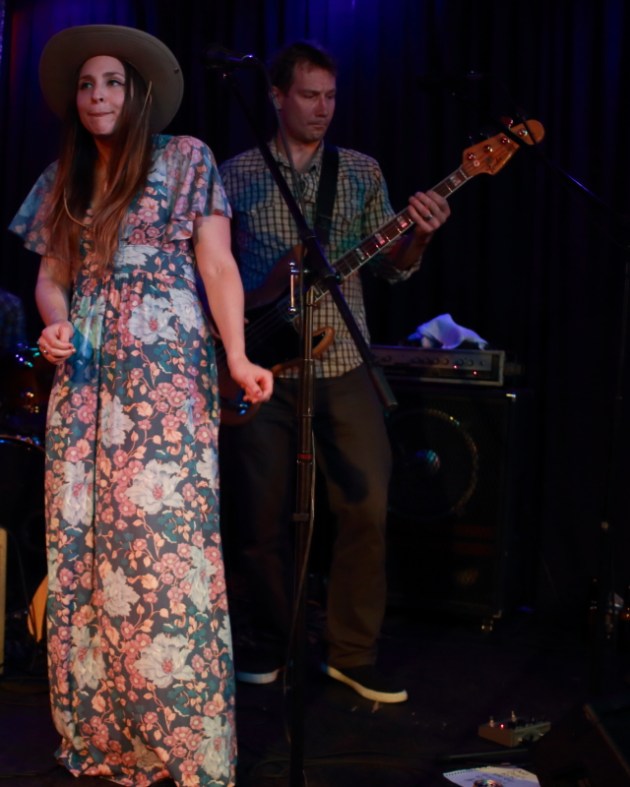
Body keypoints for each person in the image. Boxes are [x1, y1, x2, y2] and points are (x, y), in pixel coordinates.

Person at [9, 24, 272, 787]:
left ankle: (182, 741)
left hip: (164, 370)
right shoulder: (63, 176)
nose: (98, 95)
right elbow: (51, 277)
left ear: (137, 94)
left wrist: (237, 354)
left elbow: (217, 264)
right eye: (87, 84)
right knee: (88, 546)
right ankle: (106, 731)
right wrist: (55, 322)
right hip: (88, 375)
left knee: (164, 547)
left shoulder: (185, 157)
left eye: (112, 82)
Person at [219, 40, 450, 704]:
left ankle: (351, 652)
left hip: (344, 360)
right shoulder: (234, 175)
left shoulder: (360, 171)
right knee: (261, 518)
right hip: (262, 368)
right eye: (309, 95)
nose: (322, 109)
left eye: (331, 96)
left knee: (366, 506)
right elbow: (214, 271)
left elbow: (393, 267)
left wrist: (420, 234)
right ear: (276, 97)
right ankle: (274, 642)